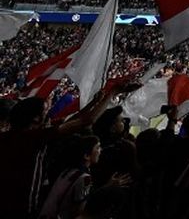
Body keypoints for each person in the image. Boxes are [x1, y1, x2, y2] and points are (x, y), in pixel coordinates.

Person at [0, 82, 136, 219]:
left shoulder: (13, 136)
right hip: (20, 210)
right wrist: (112, 93)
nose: (49, 115)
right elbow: (86, 121)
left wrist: (94, 103)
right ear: (36, 119)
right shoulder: (33, 138)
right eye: (46, 111)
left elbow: (73, 121)